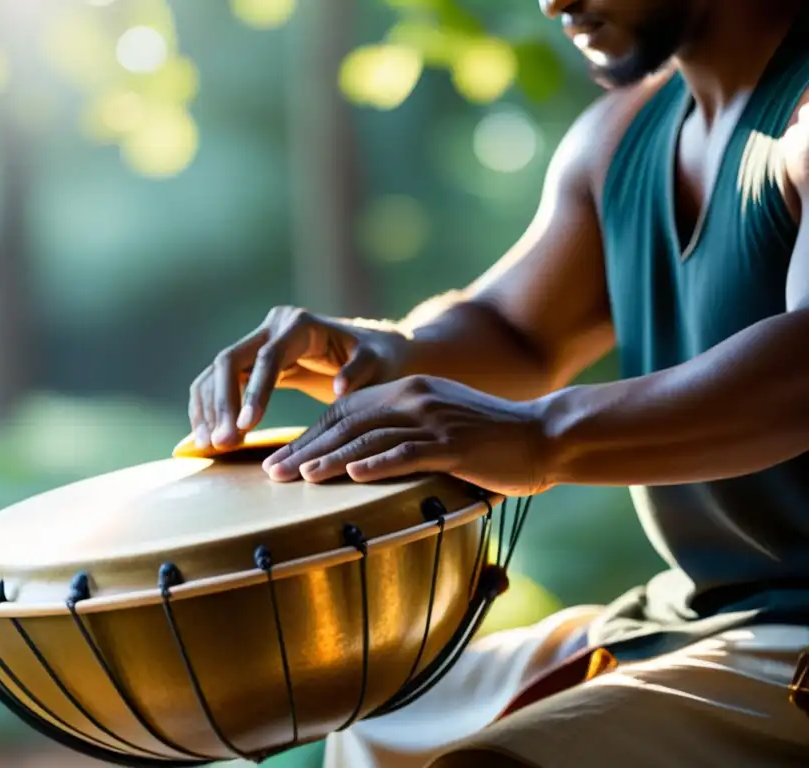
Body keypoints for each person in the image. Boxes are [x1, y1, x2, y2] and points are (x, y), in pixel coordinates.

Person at [190, 1, 809, 765]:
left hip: (798, 641)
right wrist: (375, 353)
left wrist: (541, 438)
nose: (552, 1)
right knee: (377, 727)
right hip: (689, 617)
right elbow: (516, 333)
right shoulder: (619, 139)